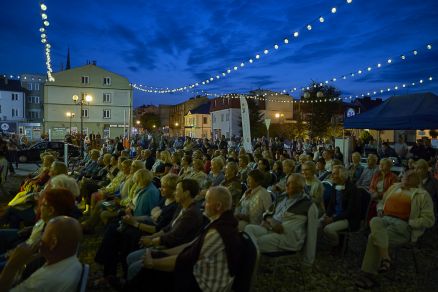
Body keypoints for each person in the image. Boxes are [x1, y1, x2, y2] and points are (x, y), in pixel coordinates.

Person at [127, 186, 241, 292]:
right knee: (151, 264)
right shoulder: (218, 223)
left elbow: (187, 260)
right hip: (197, 270)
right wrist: (162, 253)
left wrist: (153, 263)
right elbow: (190, 246)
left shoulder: (219, 231)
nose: (203, 204)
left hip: (203, 284)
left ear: (218, 206)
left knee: (149, 272)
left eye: (207, 201)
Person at [355, 171, 435, 289]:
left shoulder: (422, 195)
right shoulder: (394, 188)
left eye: (407, 178)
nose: (403, 179)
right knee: (374, 221)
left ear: (415, 181)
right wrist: (380, 209)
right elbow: (382, 202)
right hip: (385, 219)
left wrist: (410, 222)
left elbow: (429, 220)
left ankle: (367, 275)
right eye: (404, 177)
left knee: (373, 238)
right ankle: (386, 258)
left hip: (403, 226)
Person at [0, 216, 83, 291]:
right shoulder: (71, 261)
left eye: (43, 233)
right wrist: (22, 264)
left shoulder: (43, 281)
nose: (40, 238)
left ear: (53, 243)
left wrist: (12, 265)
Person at [244, 174, 318, 253]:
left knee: (256, 242)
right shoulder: (282, 197)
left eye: (291, 183)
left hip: (286, 238)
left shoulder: (308, 205)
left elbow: (312, 235)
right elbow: (267, 213)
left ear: (300, 187)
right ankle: (251, 255)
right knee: (248, 229)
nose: (287, 185)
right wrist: (269, 221)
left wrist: (308, 261)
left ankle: (250, 257)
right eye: (287, 182)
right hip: (271, 228)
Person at [322, 165, 361, 252]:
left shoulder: (352, 189)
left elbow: (350, 211)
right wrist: (327, 215)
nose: (332, 176)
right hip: (335, 215)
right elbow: (331, 205)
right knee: (317, 224)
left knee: (327, 229)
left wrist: (333, 219)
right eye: (332, 174)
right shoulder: (334, 186)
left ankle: (337, 244)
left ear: (342, 175)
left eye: (334, 174)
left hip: (348, 218)